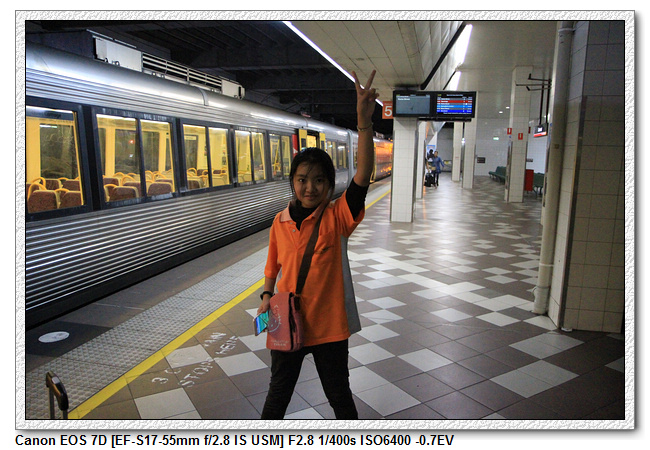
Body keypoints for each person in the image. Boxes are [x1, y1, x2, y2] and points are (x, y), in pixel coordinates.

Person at [257, 70, 379, 419]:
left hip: (329, 329)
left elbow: (362, 177)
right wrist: (266, 295)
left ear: (328, 184)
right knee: (276, 397)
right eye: (302, 180)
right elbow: (272, 266)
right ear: (293, 182)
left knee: (340, 397)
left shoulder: (338, 217)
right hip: (286, 319)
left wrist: (364, 124)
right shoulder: (279, 221)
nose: (309, 188)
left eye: (318, 180)